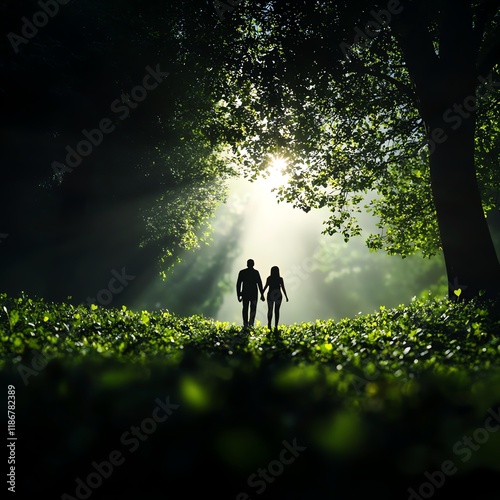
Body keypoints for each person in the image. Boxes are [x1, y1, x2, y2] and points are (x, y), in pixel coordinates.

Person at [236, 259, 265, 328]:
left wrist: (238, 294)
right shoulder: (255, 272)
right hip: (253, 293)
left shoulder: (242, 272)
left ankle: (245, 323)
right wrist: (262, 294)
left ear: (247, 264)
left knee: (245, 308)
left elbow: (238, 284)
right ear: (253, 264)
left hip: (245, 293)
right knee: (253, 308)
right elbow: (259, 284)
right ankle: (251, 323)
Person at [261, 266, 289, 330]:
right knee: (277, 311)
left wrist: (262, 294)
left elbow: (265, 287)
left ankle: (269, 324)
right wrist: (286, 296)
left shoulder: (269, 278)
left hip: (270, 295)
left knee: (270, 310)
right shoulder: (280, 279)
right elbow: (283, 288)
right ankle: (276, 325)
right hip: (278, 296)